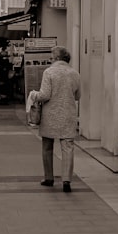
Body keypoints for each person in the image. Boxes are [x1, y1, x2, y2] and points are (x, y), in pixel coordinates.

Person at [28, 45, 81, 193]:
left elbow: (45, 95)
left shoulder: (49, 72)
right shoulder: (75, 73)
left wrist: (34, 95)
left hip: (50, 115)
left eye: (52, 57)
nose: (50, 60)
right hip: (68, 114)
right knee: (68, 147)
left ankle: (49, 178)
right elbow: (78, 96)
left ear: (57, 58)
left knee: (47, 146)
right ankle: (66, 181)